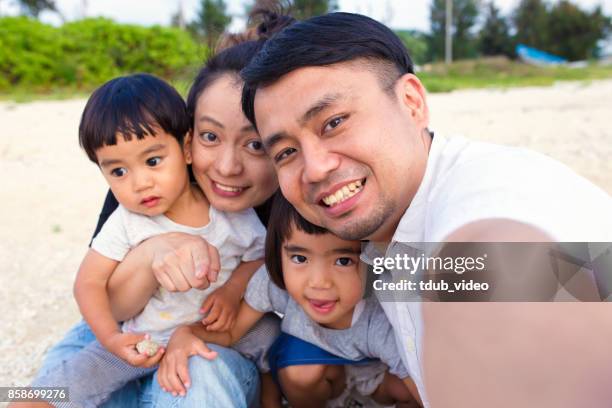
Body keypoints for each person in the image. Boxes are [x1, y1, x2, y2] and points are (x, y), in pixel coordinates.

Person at [237, 12, 612, 407]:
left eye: (333, 123)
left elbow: (494, 270)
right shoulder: (384, 238)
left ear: (412, 103)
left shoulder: (484, 194)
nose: (314, 168)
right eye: (286, 152)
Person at [27, 11, 291, 408]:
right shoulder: (142, 188)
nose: (226, 167)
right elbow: (100, 296)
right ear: (188, 140)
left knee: (269, 344)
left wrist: (233, 293)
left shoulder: (278, 204)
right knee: (57, 380)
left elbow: (264, 264)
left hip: (219, 331)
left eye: (255, 144)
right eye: (209, 136)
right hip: (137, 330)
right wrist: (153, 255)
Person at [158, 193, 421, 407]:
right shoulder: (274, 283)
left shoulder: (379, 319)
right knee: (300, 374)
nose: (318, 282)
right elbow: (231, 334)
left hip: (370, 369)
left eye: (343, 261)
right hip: (315, 371)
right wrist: (186, 333)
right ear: (278, 255)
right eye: (299, 258)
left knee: (409, 392)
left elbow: (419, 385)